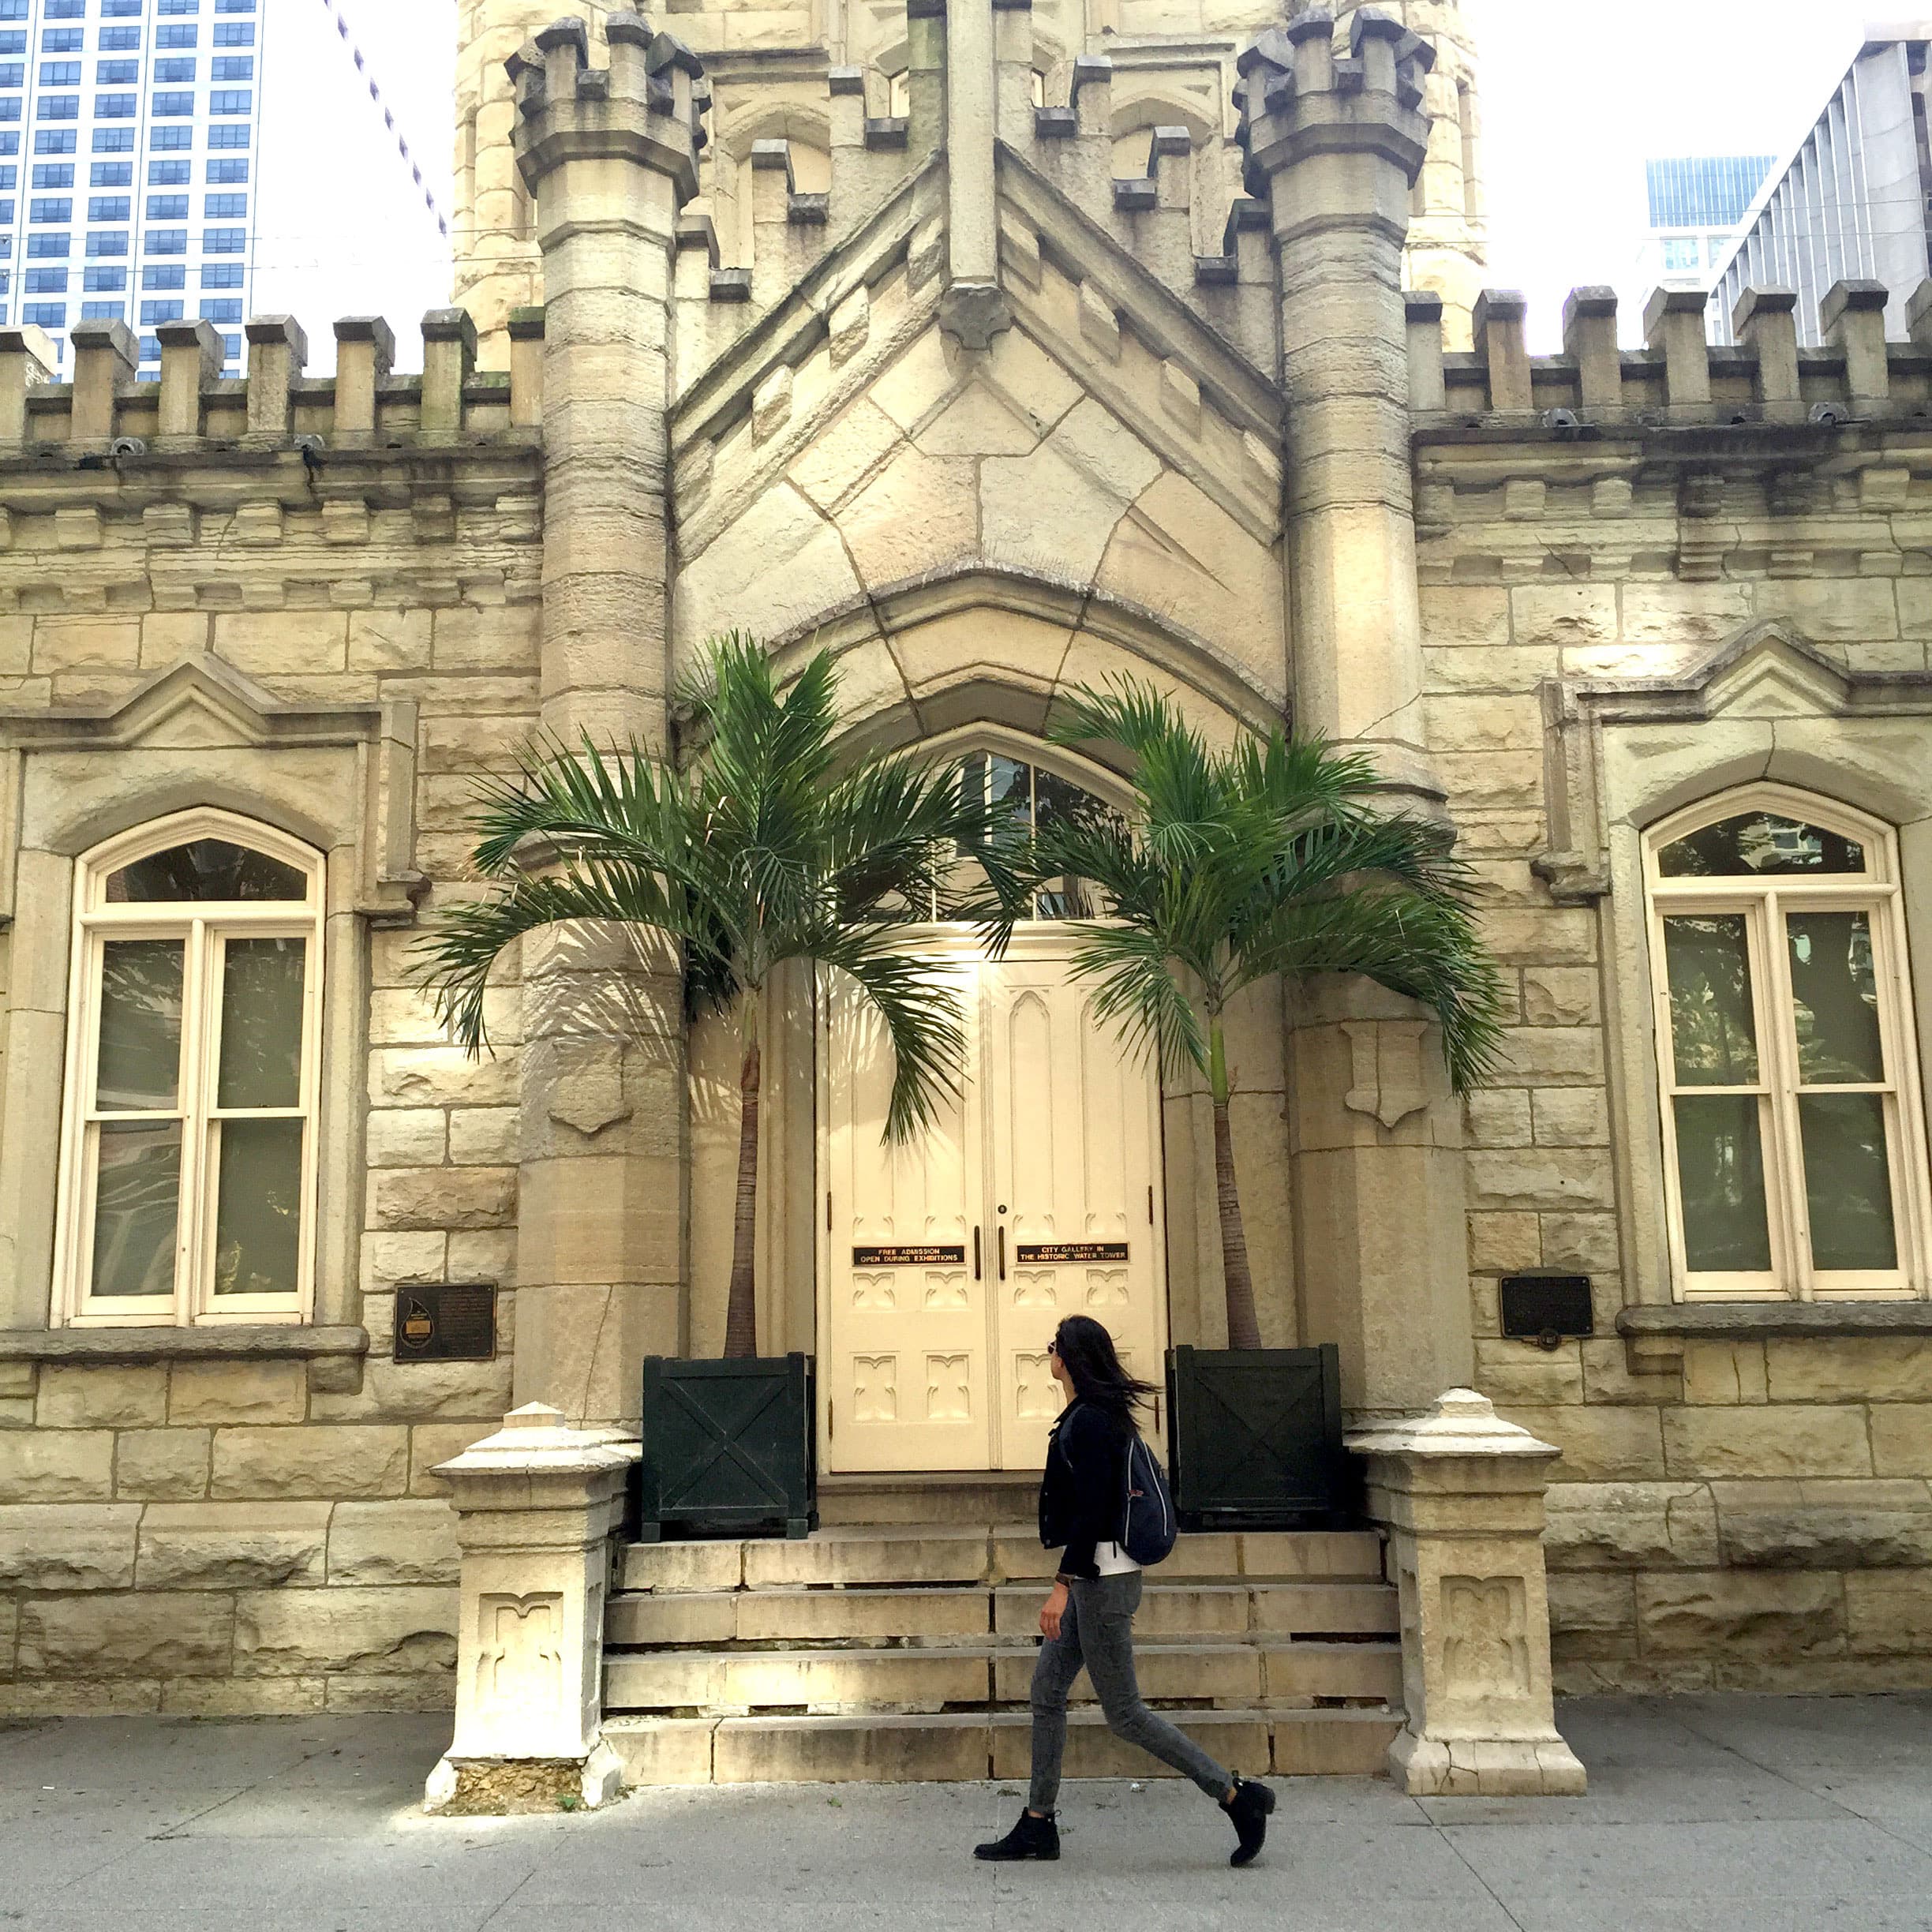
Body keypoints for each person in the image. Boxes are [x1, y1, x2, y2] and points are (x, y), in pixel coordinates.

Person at [974, 1313, 1277, 1868]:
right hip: (1097, 1579)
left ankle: (1236, 1797)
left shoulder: (1092, 1422)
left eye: (1053, 1346)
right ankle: (1038, 1823)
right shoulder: (1089, 1416)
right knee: (1046, 1691)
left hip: (1103, 1584)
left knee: (1126, 1714)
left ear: (1068, 1357)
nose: (1050, 1354)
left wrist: (1061, 1587)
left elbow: (1091, 1513)